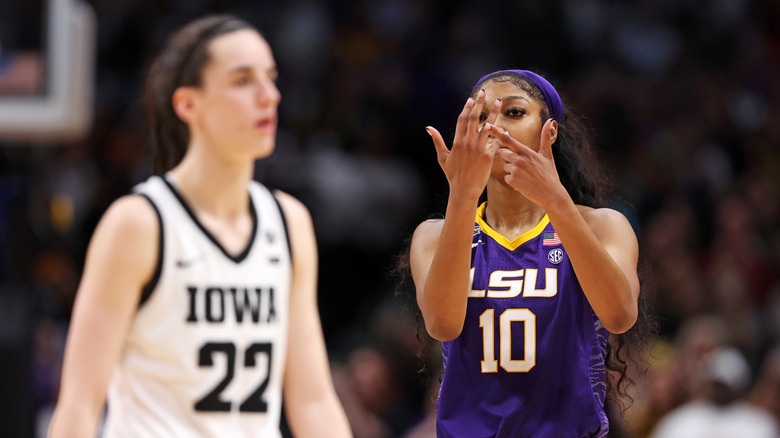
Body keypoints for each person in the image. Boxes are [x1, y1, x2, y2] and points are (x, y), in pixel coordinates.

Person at [47, 15, 352, 438]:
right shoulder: (139, 223)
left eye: (271, 77)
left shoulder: (288, 222)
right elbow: (80, 402)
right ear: (188, 104)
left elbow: (313, 399)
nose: (270, 96)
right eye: (243, 80)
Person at [409, 69, 642, 437]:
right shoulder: (433, 235)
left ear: (549, 131)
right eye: (481, 116)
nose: (494, 126)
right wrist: (463, 195)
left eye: (514, 113)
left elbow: (620, 314)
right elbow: (442, 324)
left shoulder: (603, 226)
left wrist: (554, 199)